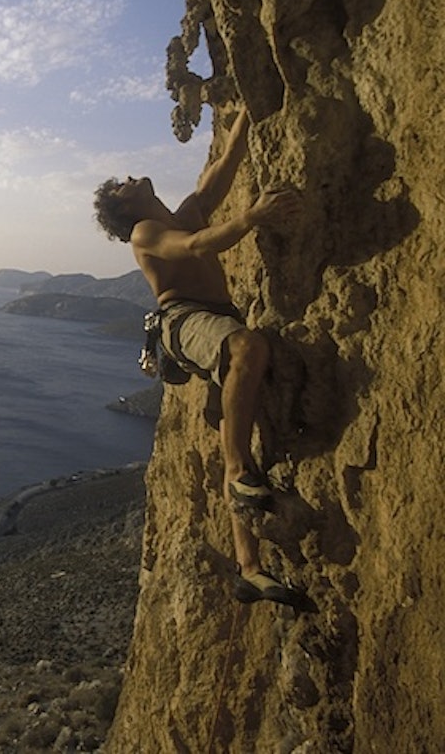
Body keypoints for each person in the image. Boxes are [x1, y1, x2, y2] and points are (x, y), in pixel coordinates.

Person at [93, 105, 305, 607]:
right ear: (126, 212)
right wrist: (252, 217)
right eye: (120, 187)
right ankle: (237, 468)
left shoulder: (182, 211)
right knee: (247, 346)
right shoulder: (146, 233)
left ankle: (249, 567)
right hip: (185, 321)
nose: (128, 178)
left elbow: (221, 171)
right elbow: (194, 245)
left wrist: (248, 114)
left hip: (212, 316)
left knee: (241, 415)